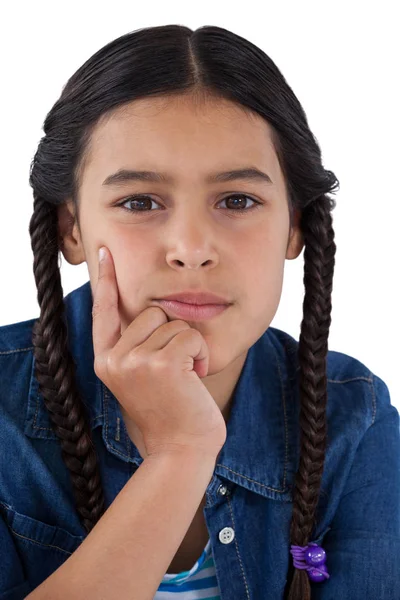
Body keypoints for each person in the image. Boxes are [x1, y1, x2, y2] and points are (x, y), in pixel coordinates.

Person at [0, 24, 399, 600]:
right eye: (139, 201)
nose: (191, 247)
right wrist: (179, 455)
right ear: (72, 228)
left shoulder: (355, 421)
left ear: (295, 226)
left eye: (237, 200)